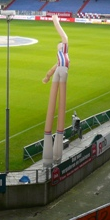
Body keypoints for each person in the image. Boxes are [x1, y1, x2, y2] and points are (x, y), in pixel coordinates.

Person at [42, 15, 69, 167]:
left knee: (57, 103)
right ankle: (53, 156)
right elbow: (53, 68)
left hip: (62, 72)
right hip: (61, 71)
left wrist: (56, 22)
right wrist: (46, 77)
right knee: (57, 103)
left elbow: (64, 35)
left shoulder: (64, 50)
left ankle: (54, 156)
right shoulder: (60, 58)